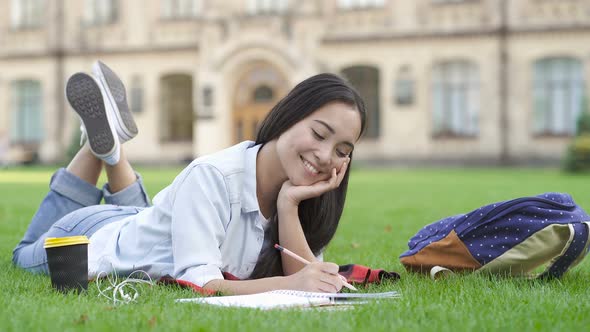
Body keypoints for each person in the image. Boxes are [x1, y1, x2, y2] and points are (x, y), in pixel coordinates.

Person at [12, 61, 367, 295]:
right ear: (290, 115)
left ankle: (107, 146)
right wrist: (289, 283)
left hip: (143, 224)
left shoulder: (302, 195)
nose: (325, 156)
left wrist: (288, 206)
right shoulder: (212, 177)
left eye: (342, 150)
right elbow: (203, 283)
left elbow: (307, 280)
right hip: (92, 238)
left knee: (151, 224)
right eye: (319, 134)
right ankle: (100, 148)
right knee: (22, 256)